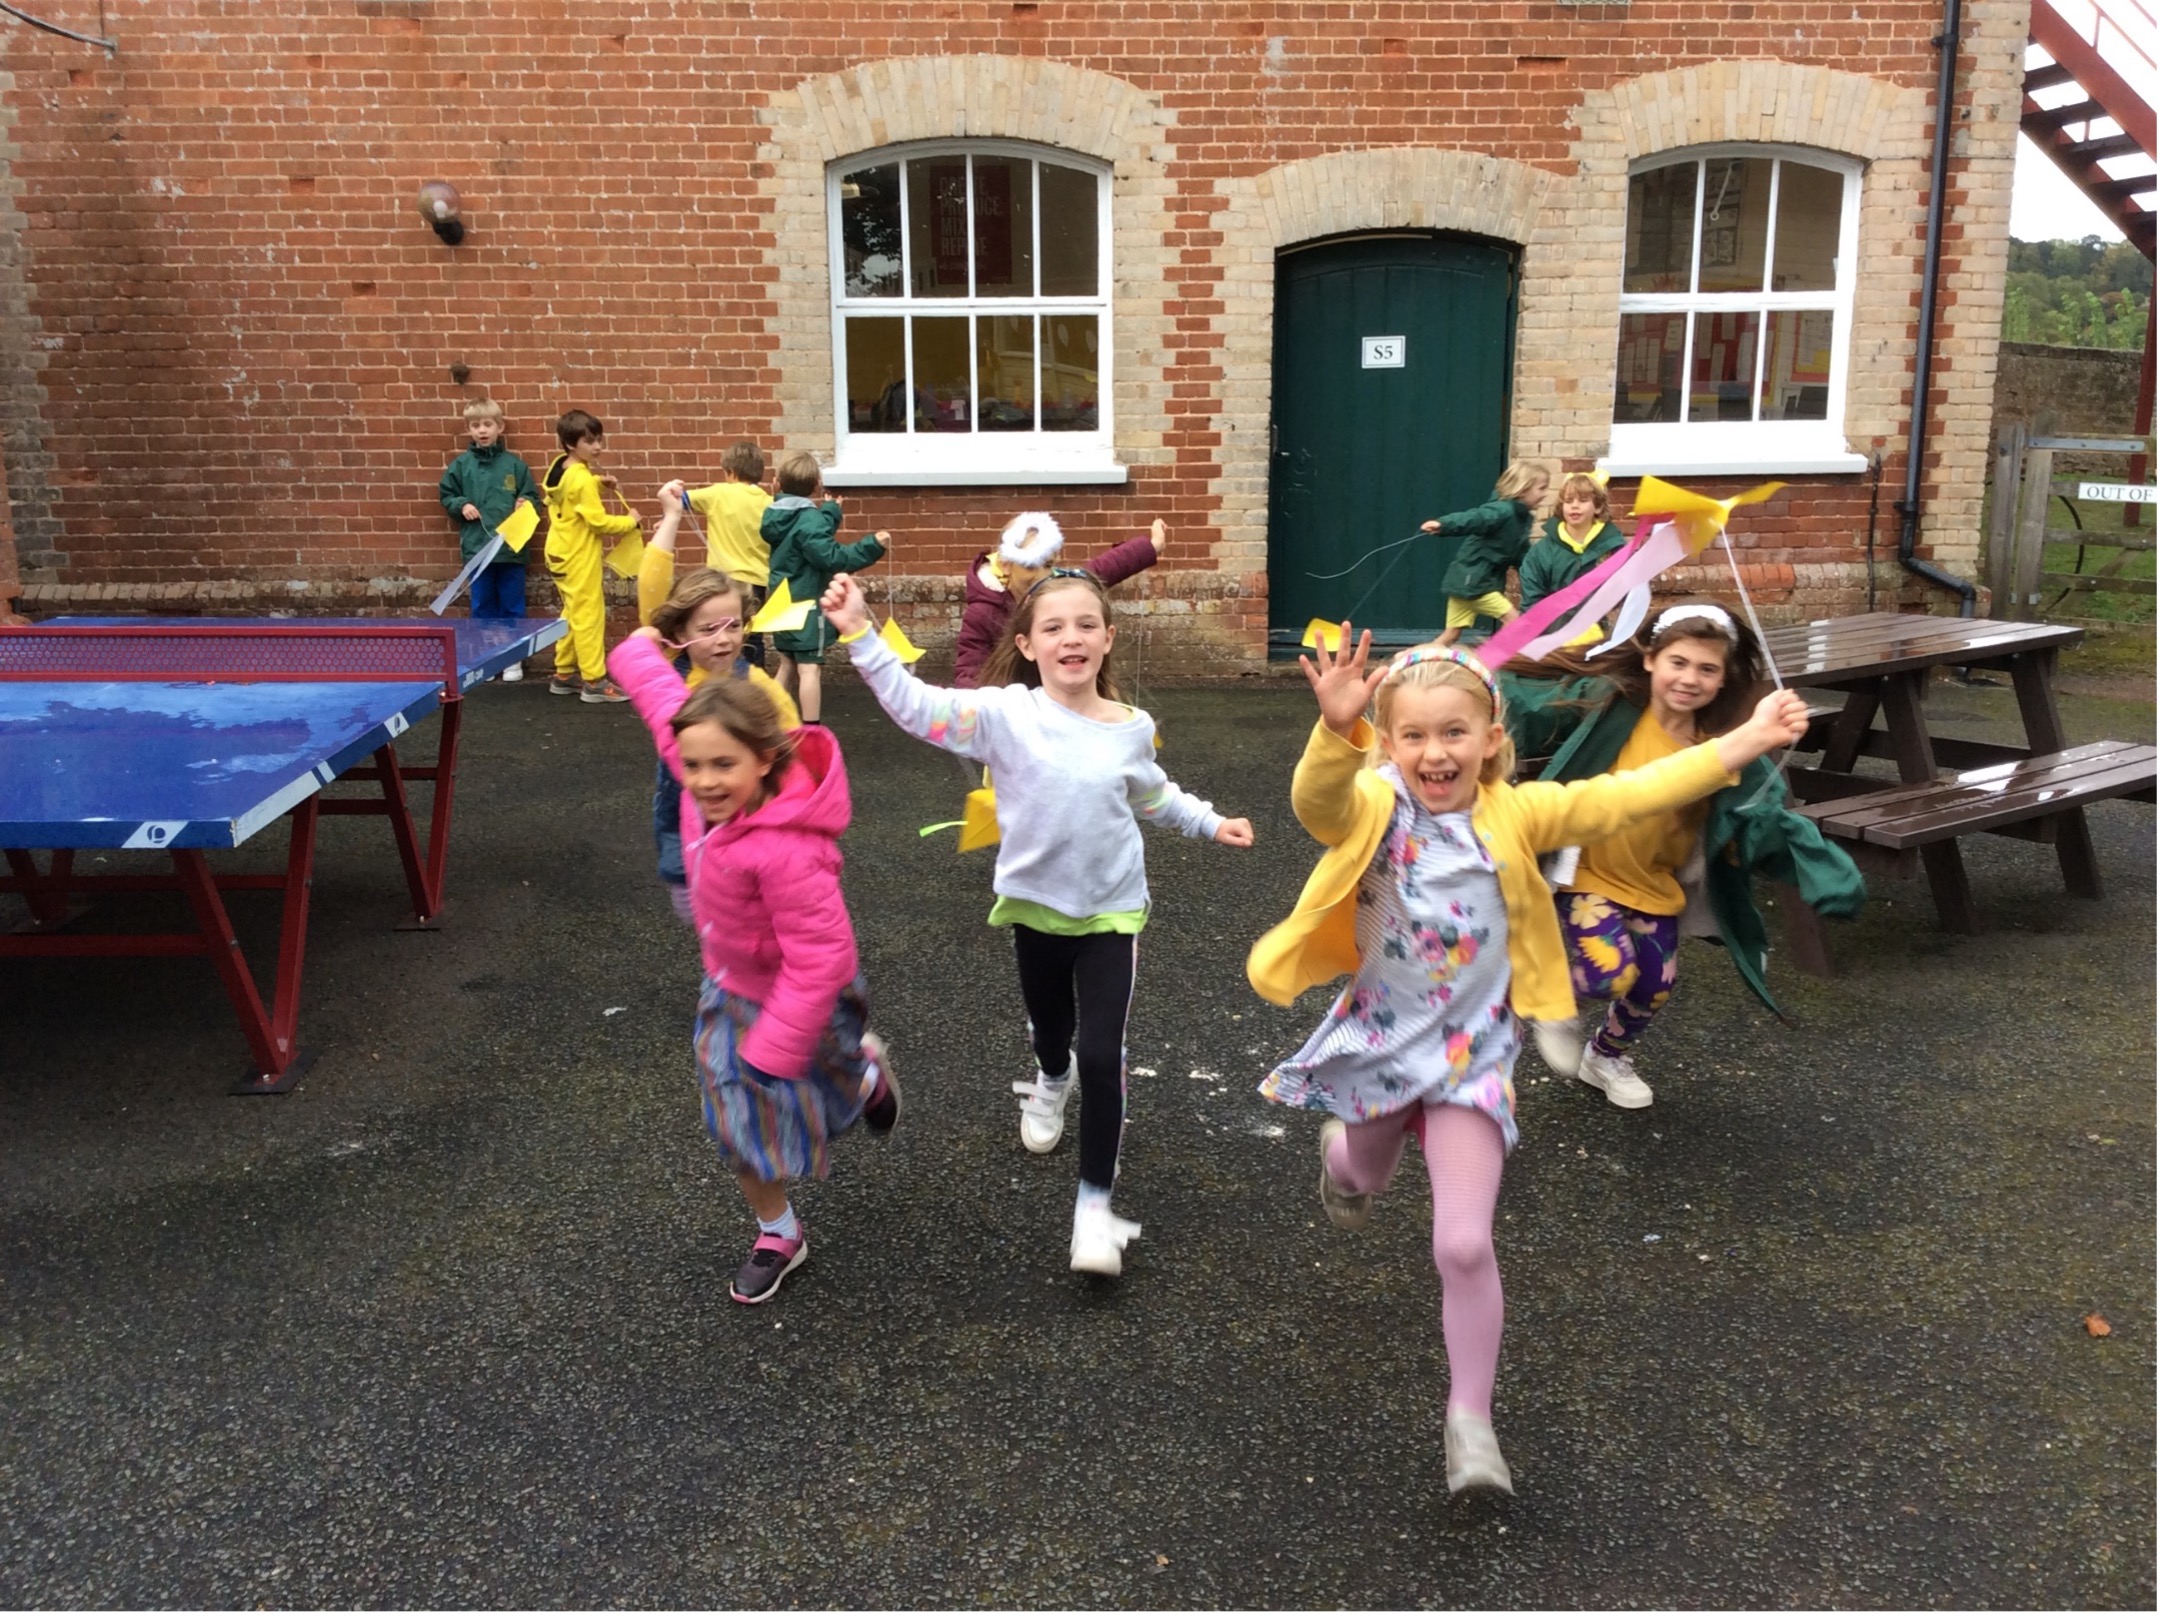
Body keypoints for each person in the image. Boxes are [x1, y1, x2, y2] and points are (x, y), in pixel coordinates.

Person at [1247, 629, 1808, 1497]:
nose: (1436, 752)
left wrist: (1749, 737)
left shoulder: (1521, 812)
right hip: (1381, 1046)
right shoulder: (1372, 803)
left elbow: (1635, 790)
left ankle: (1469, 1421)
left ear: (1491, 738)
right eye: (1415, 736)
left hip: (1473, 1059)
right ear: (1390, 744)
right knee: (1366, 1166)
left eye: (1455, 732)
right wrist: (1334, 731)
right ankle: (1342, 1162)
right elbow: (1318, 805)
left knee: (1464, 1243)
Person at [820, 567, 1255, 1278]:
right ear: (1025, 644)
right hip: (1033, 908)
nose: (1071, 637)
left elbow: (1154, 795)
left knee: (1103, 1050)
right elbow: (915, 706)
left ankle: (1094, 1210)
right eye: (1052, 627)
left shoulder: (1130, 729)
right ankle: (1050, 1078)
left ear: (1107, 638)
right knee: (1054, 1034)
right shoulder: (1004, 714)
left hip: (1112, 910)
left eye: (1086, 624)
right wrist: (861, 634)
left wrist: (1210, 823)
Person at [605, 629, 899, 1305]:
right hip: (730, 988)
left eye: (721, 765)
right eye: (692, 764)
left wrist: (775, 1043)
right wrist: (637, 648)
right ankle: (778, 1229)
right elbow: (660, 700)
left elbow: (820, 958)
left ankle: (861, 1079)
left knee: (819, 1100)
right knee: (735, 1118)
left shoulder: (789, 850)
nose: (703, 780)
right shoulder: (696, 769)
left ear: (764, 760)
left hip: (808, 1000)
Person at [1499, 603, 1864, 1107]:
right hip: (1586, 872)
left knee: (1654, 985)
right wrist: (1461, 681)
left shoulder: (1722, 746)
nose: (1690, 678)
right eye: (1679, 662)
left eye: (1706, 668)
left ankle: (1603, 1056)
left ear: (1723, 679)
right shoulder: (1611, 705)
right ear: (1650, 658)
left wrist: (1823, 867)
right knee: (1608, 969)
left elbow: (1764, 818)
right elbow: (1530, 701)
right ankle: (1545, 997)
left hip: (1653, 883)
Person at [637, 493, 801, 920]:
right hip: (684, 836)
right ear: (680, 630)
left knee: (757, 928)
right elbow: (651, 586)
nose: (724, 639)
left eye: (733, 626)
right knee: (707, 928)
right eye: (708, 629)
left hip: (753, 832)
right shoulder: (669, 676)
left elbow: (794, 756)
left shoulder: (759, 686)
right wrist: (672, 516)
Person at [953, 512, 1167, 688]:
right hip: (1014, 709)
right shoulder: (983, 611)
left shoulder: (1055, 589)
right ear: (1006, 564)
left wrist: (1150, 547)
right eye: (1029, 566)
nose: (1040, 576)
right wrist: (973, 710)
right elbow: (970, 667)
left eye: (1047, 565)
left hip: (1061, 694)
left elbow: (1102, 569)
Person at [761, 452, 888, 723]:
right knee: (809, 670)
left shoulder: (774, 517)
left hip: (782, 605)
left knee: (787, 664)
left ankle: (765, 722)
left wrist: (829, 512)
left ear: (776, 483)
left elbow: (810, 537)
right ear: (817, 484)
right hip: (807, 607)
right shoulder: (810, 521)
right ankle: (812, 728)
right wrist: (873, 545)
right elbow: (833, 557)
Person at [542, 409, 641, 703]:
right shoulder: (582, 479)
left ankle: (563, 674)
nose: (597, 446)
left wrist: (598, 483)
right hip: (578, 556)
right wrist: (630, 521)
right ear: (572, 444)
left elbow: (563, 496)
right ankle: (594, 681)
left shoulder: (561, 469)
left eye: (598, 440)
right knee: (589, 617)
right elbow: (598, 523)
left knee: (572, 613)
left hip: (559, 552)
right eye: (589, 441)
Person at [438, 398, 540, 678]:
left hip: (511, 550)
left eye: (487, 424)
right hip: (477, 549)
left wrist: (524, 502)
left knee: (512, 604)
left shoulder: (515, 467)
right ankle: (486, 656)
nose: (482, 430)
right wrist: (461, 505)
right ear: (468, 430)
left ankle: (512, 658)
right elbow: (446, 495)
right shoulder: (461, 467)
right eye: (475, 425)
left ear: (499, 427)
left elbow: (533, 498)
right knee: (483, 605)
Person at [660, 438, 774, 667]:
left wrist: (672, 499)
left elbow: (679, 499)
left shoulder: (719, 493)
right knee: (752, 634)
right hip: (757, 579)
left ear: (730, 472)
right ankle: (754, 678)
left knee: (719, 630)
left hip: (724, 580)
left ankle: (723, 674)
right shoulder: (769, 502)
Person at [1420, 461, 1551, 648]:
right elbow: (1474, 519)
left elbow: (1521, 554)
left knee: (1450, 636)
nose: (1545, 494)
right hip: (1476, 584)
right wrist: (1444, 525)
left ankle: (1406, 658)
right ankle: (1503, 661)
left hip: (1467, 581)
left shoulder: (1520, 518)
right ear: (1523, 489)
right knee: (1515, 622)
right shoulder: (1501, 511)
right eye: (1542, 488)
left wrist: (1539, 573)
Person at [1517, 472, 1628, 619]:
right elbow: (1532, 601)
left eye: (1583, 500)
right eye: (1568, 501)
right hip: (1552, 632)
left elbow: (1625, 593)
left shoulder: (1614, 548)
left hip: (1597, 631)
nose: (1574, 506)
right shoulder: (1542, 551)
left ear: (1598, 507)